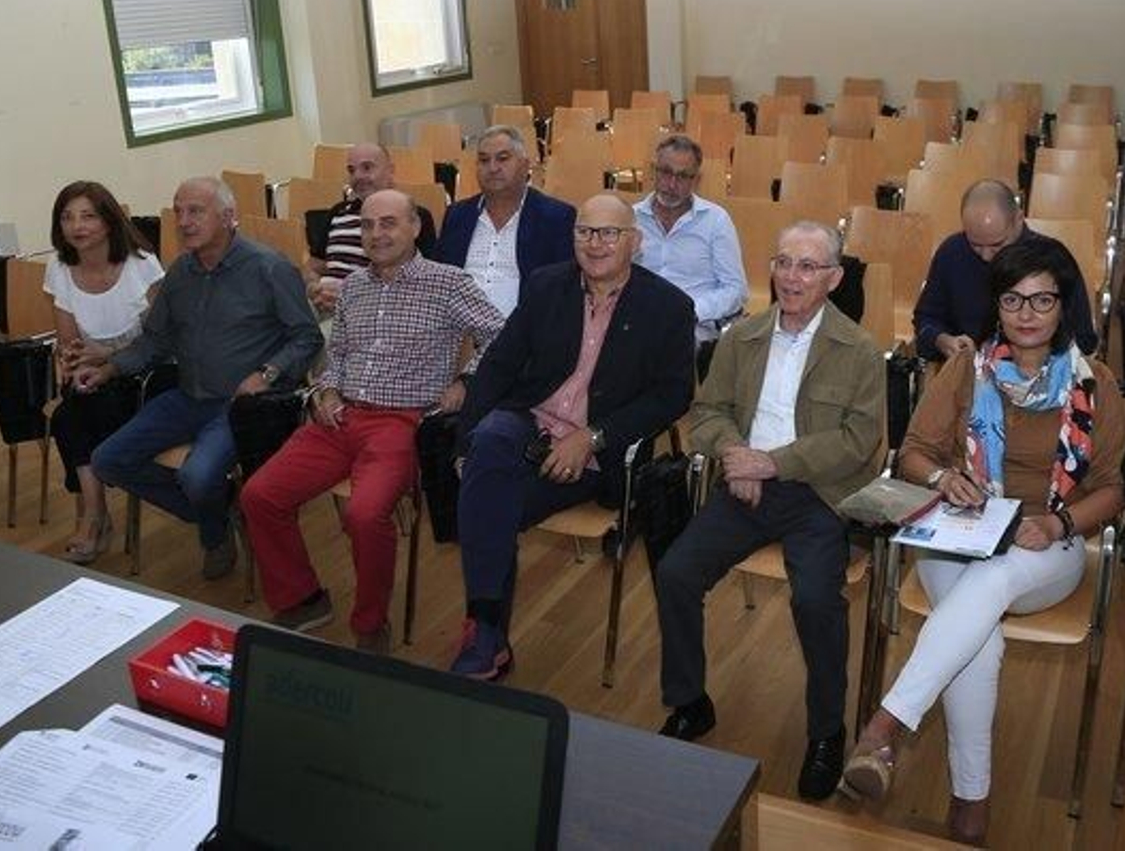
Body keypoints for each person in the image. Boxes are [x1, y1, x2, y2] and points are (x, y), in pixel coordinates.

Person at [841, 236, 1125, 843]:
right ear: (996, 306)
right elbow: (914, 452)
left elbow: (1112, 488)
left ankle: (885, 727)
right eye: (1013, 299)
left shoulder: (1095, 382)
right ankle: (971, 801)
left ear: (1064, 306)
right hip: (960, 534)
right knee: (981, 642)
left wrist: (1057, 523)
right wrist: (947, 478)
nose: (1026, 313)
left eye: (1042, 300)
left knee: (996, 578)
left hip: (1049, 542)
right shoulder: (965, 370)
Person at [657, 221, 886, 803]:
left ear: (833, 279)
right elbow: (706, 413)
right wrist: (738, 456)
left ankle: (827, 733)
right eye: (783, 262)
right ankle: (690, 700)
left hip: (819, 495)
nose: (792, 276)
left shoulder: (858, 350)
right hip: (743, 486)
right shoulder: (742, 337)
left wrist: (774, 464)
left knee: (816, 601)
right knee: (675, 573)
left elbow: (860, 442)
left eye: (808, 266)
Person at [240, 190, 504, 655]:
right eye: (367, 225)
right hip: (339, 416)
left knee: (365, 514)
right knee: (259, 495)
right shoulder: (355, 287)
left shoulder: (449, 283)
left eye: (388, 223)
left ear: (415, 227)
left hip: (402, 424)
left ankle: (370, 622)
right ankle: (303, 598)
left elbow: (501, 337)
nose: (376, 235)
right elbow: (337, 353)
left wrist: (466, 379)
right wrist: (325, 389)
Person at [450, 193, 695, 679]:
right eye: (585, 231)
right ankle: (486, 624)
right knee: (492, 435)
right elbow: (498, 367)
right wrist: (464, 441)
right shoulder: (546, 286)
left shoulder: (668, 307)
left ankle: (485, 633)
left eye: (610, 233)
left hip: (591, 450)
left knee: (486, 503)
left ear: (635, 242)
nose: (595, 243)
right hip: (527, 421)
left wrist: (594, 436)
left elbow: (672, 397)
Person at [82, 178, 322, 579]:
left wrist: (268, 373)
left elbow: (307, 336)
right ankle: (222, 510)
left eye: (196, 211)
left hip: (240, 406)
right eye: (178, 212)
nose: (184, 221)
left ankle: (213, 532)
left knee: (197, 475)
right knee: (108, 460)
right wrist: (110, 368)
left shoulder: (269, 267)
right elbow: (155, 341)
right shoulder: (181, 273)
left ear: (228, 218)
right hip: (188, 396)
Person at [43, 181, 165, 564]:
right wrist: (76, 362)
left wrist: (109, 357)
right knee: (74, 406)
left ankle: (93, 518)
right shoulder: (59, 266)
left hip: (142, 374)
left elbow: (160, 342)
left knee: (70, 417)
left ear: (109, 221)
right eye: (67, 217)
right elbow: (69, 342)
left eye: (87, 216)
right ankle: (96, 515)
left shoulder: (142, 265)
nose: (76, 225)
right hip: (93, 376)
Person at [913, 179, 1098, 361]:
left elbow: (1083, 338)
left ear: (1018, 219)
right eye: (975, 245)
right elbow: (926, 318)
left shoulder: (1052, 260)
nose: (986, 256)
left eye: (997, 245)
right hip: (968, 373)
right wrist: (941, 340)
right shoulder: (952, 252)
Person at [434, 125, 577, 318]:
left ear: (525, 165)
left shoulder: (556, 218)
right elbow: (442, 281)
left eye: (503, 159)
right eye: (484, 160)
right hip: (460, 337)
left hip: (523, 335)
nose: (492, 168)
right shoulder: (457, 216)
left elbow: (563, 292)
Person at [632, 135, 747, 351]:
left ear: (696, 180)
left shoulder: (716, 220)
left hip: (693, 323)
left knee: (671, 347)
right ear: (653, 171)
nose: (672, 184)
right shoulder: (631, 218)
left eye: (683, 176)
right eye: (666, 172)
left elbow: (736, 289)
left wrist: (691, 310)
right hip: (639, 318)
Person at [306, 143, 438, 312]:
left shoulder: (412, 216)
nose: (358, 176)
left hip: (372, 310)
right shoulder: (338, 212)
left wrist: (350, 296)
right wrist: (313, 287)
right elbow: (313, 266)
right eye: (351, 170)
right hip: (322, 306)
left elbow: (425, 280)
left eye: (367, 167)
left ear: (390, 171)